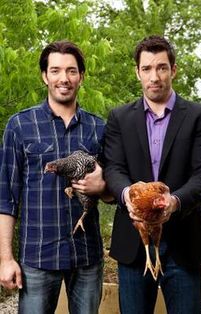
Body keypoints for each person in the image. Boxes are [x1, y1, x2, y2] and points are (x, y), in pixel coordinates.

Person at [104, 35, 201, 314]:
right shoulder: (119, 118)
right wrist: (127, 196)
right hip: (133, 242)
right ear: (137, 72)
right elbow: (113, 167)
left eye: (161, 67)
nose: (154, 76)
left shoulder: (200, 116)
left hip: (183, 241)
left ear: (174, 70)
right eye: (147, 69)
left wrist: (175, 202)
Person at [0, 40, 107, 314]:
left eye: (72, 71)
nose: (64, 78)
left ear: (81, 77)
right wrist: (5, 259)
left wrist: (103, 185)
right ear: (44, 76)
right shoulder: (20, 126)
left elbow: (112, 192)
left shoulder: (99, 128)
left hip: (86, 256)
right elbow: (6, 198)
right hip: (37, 257)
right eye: (56, 70)